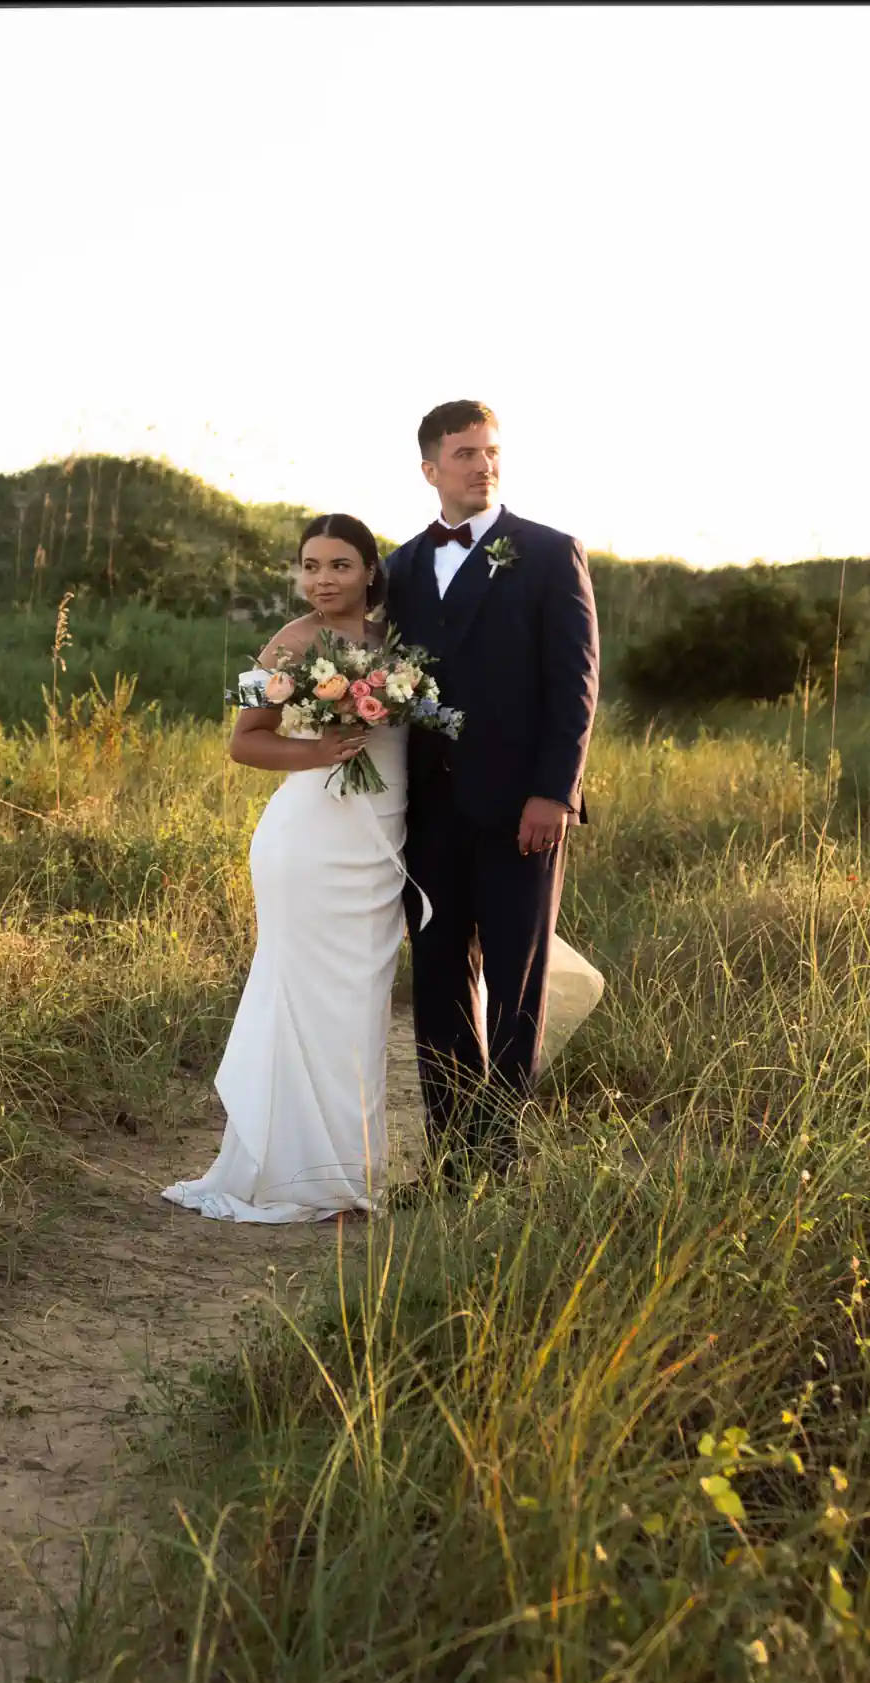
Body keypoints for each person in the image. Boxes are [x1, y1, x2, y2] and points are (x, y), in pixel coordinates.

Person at [162, 514, 416, 1224]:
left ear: (369, 570)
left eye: (339, 565)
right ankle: (294, 1175)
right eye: (310, 566)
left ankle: (347, 1172)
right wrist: (319, 751)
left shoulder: (398, 647)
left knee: (361, 1004)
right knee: (301, 996)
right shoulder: (286, 642)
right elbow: (243, 742)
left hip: (378, 845)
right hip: (308, 843)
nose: (322, 580)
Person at [379, 400, 600, 1185]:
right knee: (437, 981)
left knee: (515, 984)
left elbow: (576, 684)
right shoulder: (400, 567)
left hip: (520, 810)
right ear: (430, 468)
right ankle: (451, 1159)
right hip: (426, 814)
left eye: (492, 451)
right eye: (466, 453)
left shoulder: (548, 552)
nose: (484, 465)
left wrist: (555, 792)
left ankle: (499, 1161)